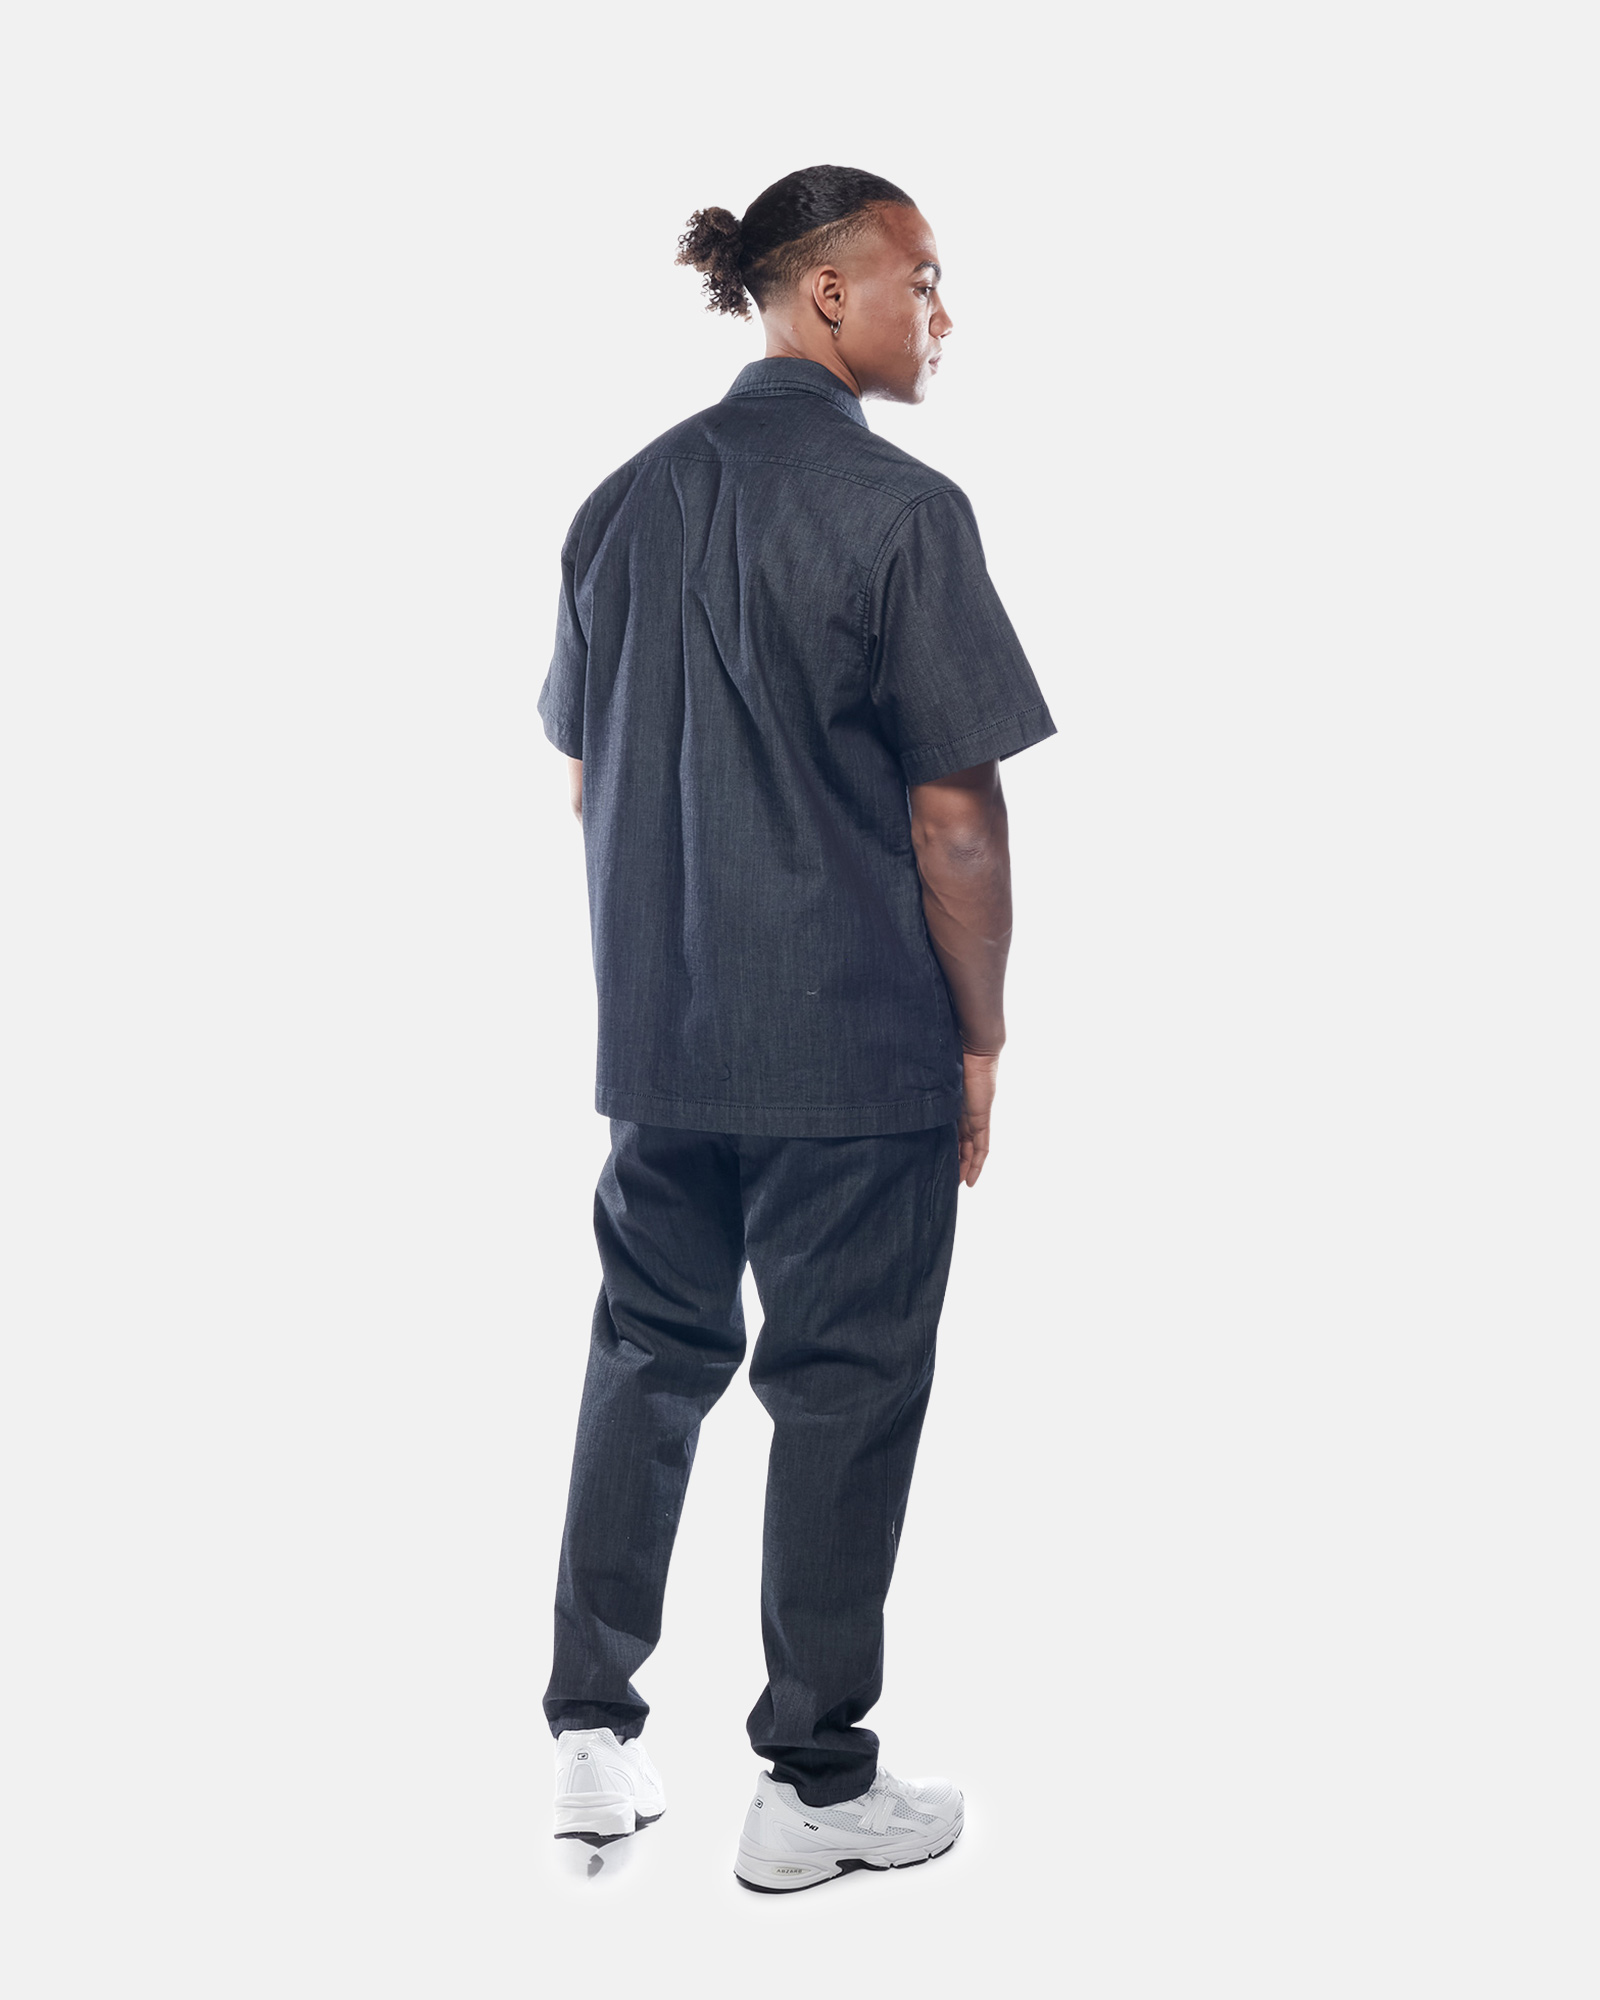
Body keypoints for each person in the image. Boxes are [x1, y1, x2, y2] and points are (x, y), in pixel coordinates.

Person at [538, 164, 1055, 1893]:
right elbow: (956, 822)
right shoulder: (903, 513)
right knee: (842, 1394)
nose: (941, 314)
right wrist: (980, 1036)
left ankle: (591, 1740)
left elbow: (594, 777)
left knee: (644, 1358)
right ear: (829, 294)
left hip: (663, 1044)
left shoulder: (620, 504)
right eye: (922, 279)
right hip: (854, 1047)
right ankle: (815, 1785)